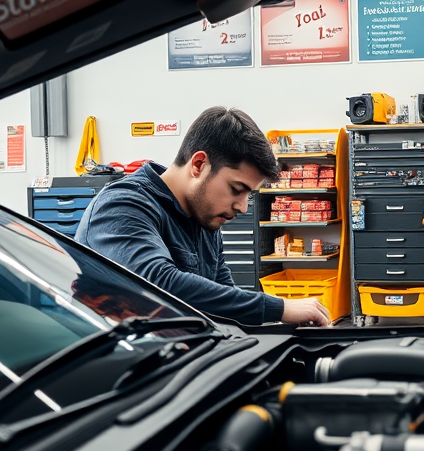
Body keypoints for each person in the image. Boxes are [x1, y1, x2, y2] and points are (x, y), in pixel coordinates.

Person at [75, 106, 330, 327]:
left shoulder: (203, 219)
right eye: (236, 190)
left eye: (248, 195)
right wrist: (280, 308)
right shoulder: (122, 206)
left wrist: (282, 325)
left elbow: (225, 301)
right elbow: (156, 284)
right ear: (198, 165)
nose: (242, 207)